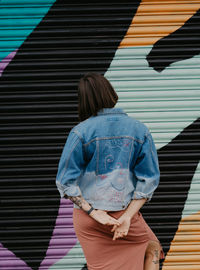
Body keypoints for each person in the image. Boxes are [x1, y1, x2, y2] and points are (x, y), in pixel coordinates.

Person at [56, 72, 165, 270]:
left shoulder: (80, 132)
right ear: (111, 93)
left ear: (84, 101)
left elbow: (65, 182)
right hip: (124, 213)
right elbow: (148, 180)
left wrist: (94, 213)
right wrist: (126, 217)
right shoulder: (139, 130)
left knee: (147, 248)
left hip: (89, 218)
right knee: (152, 248)